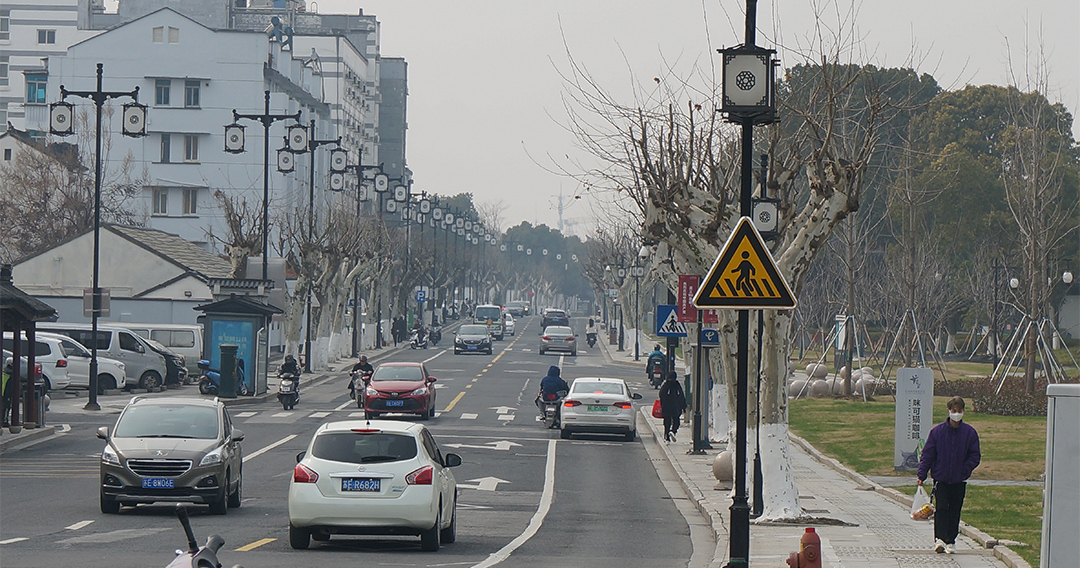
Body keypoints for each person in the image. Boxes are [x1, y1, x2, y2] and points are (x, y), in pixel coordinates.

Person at [917, 396, 981, 555]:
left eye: (959, 411)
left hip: (959, 479)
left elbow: (975, 455)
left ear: (963, 412)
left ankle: (951, 540)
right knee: (942, 509)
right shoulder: (937, 432)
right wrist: (922, 474)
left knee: (955, 510)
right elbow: (928, 454)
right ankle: (939, 539)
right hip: (941, 478)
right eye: (954, 411)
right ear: (949, 411)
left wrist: (965, 469)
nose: (956, 414)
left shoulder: (969, 433)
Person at [658, 371, 686, 443]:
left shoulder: (665, 385)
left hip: (666, 407)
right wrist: (683, 406)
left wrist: (663, 404)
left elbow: (661, 395)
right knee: (676, 421)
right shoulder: (677, 385)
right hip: (675, 407)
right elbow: (681, 396)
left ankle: (667, 437)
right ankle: (673, 431)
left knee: (667, 422)